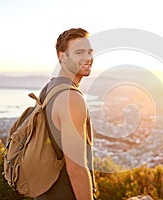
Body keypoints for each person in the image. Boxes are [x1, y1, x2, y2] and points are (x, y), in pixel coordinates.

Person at [35, 28, 95, 200]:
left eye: (90, 52)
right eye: (79, 52)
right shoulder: (71, 98)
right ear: (62, 57)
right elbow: (76, 169)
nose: (88, 58)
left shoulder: (49, 89)